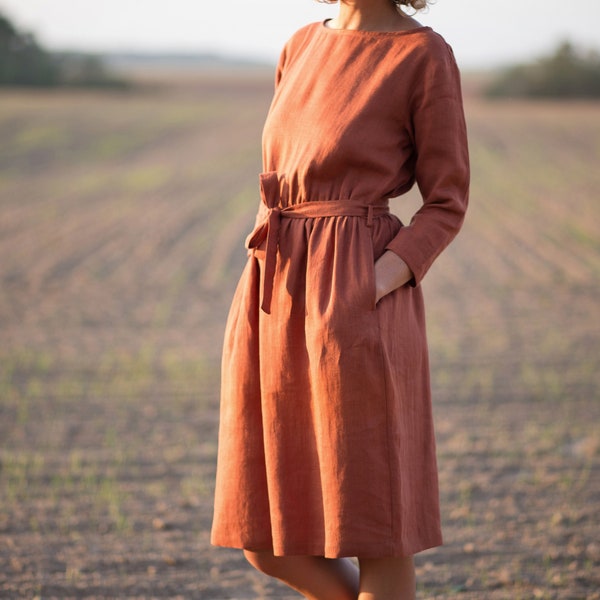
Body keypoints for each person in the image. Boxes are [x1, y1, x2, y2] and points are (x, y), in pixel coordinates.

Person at [211, 0, 469, 597]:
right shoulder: (300, 44)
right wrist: (252, 295)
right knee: (265, 537)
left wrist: (374, 282)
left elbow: (447, 200)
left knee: (375, 531)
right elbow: (279, 173)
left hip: (357, 299)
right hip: (273, 295)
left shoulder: (423, 55)